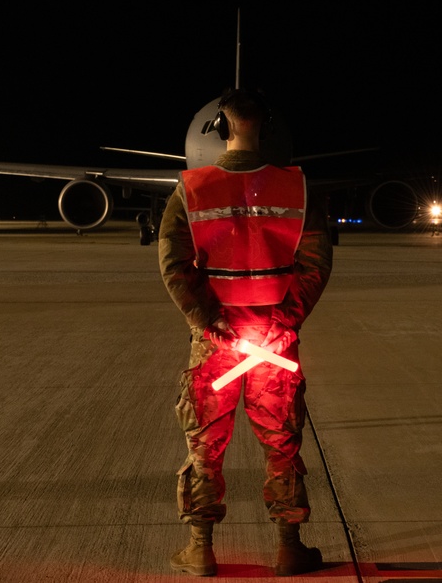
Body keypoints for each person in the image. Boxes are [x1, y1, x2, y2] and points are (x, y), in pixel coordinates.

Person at [158, 88, 333, 577]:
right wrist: (285, 322)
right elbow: (315, 265)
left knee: (204, 447)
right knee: (282, 445)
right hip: (274, 343)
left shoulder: (191, 189)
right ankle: (288, 547)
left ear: (219, 128)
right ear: (268, 130)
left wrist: (205, 321)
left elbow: (173, 266)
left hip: (214, 344)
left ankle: (200, 549)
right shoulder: (296, 189)